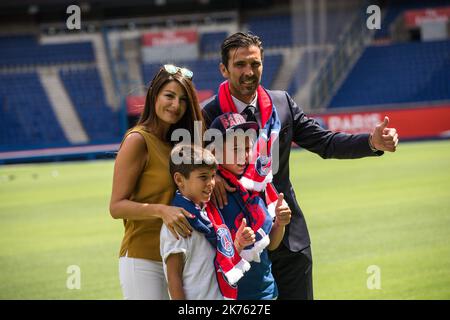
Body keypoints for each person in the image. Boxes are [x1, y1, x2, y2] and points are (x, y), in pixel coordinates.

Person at [201, 32, 399, 300]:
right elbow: (184, 168)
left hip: (288, 232)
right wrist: (211, 177)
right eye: (240, 65)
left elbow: (325, 142)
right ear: (223, 69)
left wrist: (371, 143)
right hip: (238, 246)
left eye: (255, 64)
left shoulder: (282, 104)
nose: (249, 72)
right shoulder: (205, 115)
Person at [109, 64, 206, 300]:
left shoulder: (178, 145)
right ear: (154, 95)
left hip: (180, 257)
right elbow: (116, 207)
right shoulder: (137, 140)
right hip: (144, 258)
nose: (176, 105)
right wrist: (162, 210)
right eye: (169, 96)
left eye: (183, 100)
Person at [208, 112, 292, 300]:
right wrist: (238, 244)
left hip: (264, 291)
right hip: (226, 294)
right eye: (236, 149)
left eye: (247, 148)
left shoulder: (258, 184)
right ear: (214, 152)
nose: (244, 155)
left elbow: (271, 245)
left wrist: (280, 222)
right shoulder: (208, 191)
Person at [160, 144, 255, 300]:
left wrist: (238, 244)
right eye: (203, 177)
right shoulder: (177, 224)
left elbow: (219, 261)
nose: (211, 183)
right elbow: (173, 279)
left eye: (213, 176)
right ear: (179, 179)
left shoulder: (210, 215)